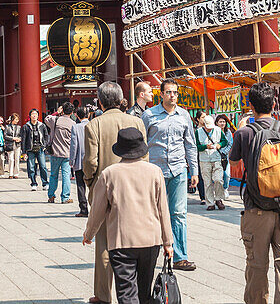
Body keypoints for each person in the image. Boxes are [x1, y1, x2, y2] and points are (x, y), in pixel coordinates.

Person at [82, 127, 173, 304]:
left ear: (120, 149)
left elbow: (97, 210)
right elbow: (163, 210)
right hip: (150, 240)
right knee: (144, 292)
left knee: (126, 291)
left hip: (121, 241)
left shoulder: (109, 173)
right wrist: (168, 242)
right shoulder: (155, 172)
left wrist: (89, 233)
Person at [229, 82, 280, 304]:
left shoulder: (244, 133)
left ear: (251, 105)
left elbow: (235, 168)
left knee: (257, 267)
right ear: (273, 104)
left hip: (256, 209)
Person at [84, 81, 146, 304]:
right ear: (121, 100)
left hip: (106, 188)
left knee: (104, 244)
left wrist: (90, 183)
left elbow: (90, 162)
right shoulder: (137, 122)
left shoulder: (94, 125)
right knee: (134, 239)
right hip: (136, 188)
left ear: (100, 101)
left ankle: (102, 295)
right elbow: (144, 156)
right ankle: (134, 291)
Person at [142, 78, 198, 271]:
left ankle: (180, 256)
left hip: (178, 169)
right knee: (153, 213)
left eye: (175, 92)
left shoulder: (184, 116)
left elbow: (190, 144)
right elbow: (142, 143)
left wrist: (194, 171)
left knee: (179, 213)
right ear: (161, 94)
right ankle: (150, 255)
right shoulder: (149, 115)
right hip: (154, 170)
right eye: (169, 92)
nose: (172, 95)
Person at [46, 102, 76, 204]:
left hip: (55, 152)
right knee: (66, 175)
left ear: (62, 110)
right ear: (72, 112)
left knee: (53, 175)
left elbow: (46, 119)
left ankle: (51, 196)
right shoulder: (73, 124)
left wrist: (57, 112)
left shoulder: (55, 120)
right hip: (67, 153)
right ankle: (65, 197)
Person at [196, 113, 227, 210]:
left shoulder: (218, 130)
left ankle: (219, 198)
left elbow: (225, 141)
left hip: (216, 158)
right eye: (208, 127)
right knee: (207, 182)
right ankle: (210, 203)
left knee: (218, 179)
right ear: (204, 125)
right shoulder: (198, 132)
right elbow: (196, 146)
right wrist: (205, 146)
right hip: (204, 159)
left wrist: (219, 145)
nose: (209, 129)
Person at [69, 106, 90, 216]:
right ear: (89, 115)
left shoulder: (76, 127)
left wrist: (71, 160)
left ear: (77, 115)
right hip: (92, 160)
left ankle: (83, 209)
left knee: (80, 185)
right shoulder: (93, 124)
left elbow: (74, 145)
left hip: (80, 161)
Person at [22, 108, 50, 190]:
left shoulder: (42, 125)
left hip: (40, 148)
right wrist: (24, 152)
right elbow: (23, 140)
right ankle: (33, 183)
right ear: (30, 116)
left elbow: (46, 136)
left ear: (38, 116)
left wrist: (44, 145)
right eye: (32, 114)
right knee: (31, 167)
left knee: (43, 166)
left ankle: (45, 183)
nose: (34, 115)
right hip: (30, 149)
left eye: (36, 114)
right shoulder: (26, 127)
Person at [215, 115, 234, 200]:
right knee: (218, 176)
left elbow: (230, 143)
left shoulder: (228, 132)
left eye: (224, 122)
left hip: (225, 157)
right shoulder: (214, 132)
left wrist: (224, 152)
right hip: (216, 156)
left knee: (226, 174)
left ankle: (225, 188)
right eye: (220, 122)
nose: (222, 123)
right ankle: (219, 192)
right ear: (217, 123)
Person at [4, 113, 22, 179]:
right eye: (16, 119)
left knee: (17, 159)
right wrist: (12, 138)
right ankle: (11, 173)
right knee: (11, 159)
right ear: (12, 119)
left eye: (18, 119)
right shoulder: (7, 127)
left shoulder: (19, 127)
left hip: (17, 145)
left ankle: (16, 173)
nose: (17, 121)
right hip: (10, 144)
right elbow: (5, 136)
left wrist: (19, 139)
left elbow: (21, 135)